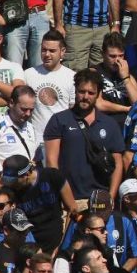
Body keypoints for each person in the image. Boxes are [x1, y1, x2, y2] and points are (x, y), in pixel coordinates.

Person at [44, 69, 124, 203]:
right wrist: (68, 201)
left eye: (91, 93)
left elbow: (118, 163)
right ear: (75, 91)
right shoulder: (59, 120)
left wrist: (110, 197)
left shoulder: (110, 123)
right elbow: (52, 164)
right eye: (82, 91)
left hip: (100, 199)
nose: (86, 96)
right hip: (68, 200)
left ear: (98, 94)